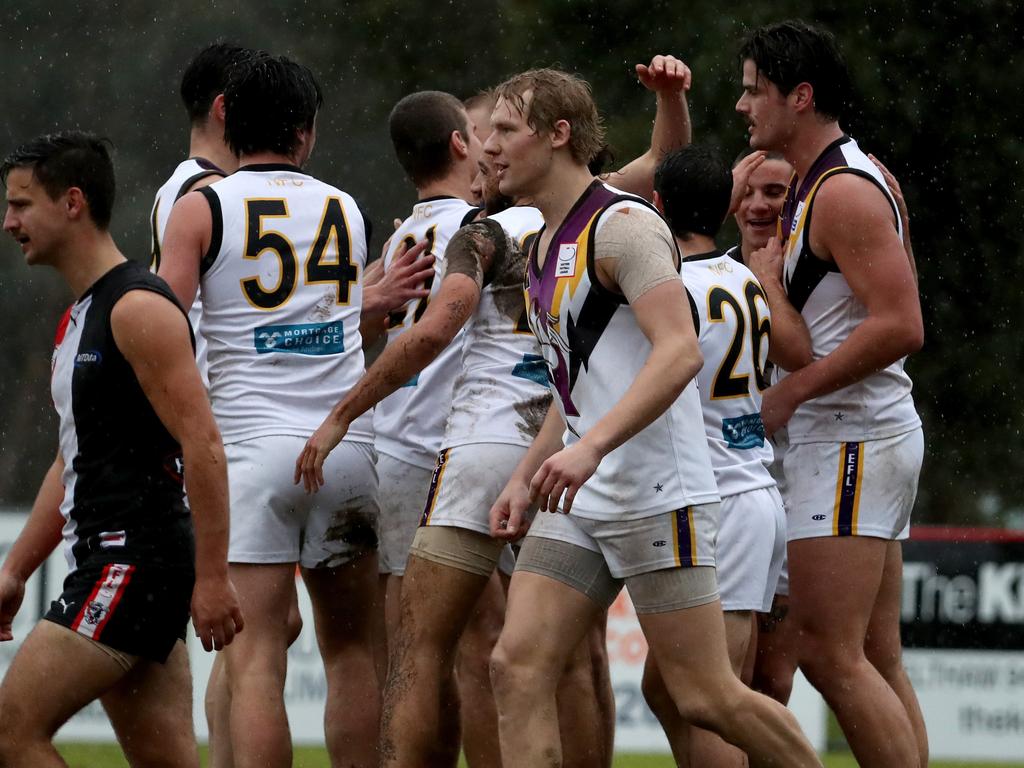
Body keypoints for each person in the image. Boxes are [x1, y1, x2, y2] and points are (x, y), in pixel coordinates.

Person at [483, 67, 821, 768]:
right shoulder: (543, 244)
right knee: (514, 666)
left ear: (558, 135)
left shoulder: (624, 225)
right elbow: (573, 387)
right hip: (581, 497)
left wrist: (591, 448)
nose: (490, 145)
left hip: (657, 496)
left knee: (706, 698)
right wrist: (524, 476)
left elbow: (679, 356)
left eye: (507, 130)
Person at [158, 52, 379, 768]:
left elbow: (163, 327)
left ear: (227, 120)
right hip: (345, 449)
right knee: (354, 656)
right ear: (306, 133)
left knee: (256, 664)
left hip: (252, 455)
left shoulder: (203, 205)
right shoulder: (345, 207)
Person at [0, 131, 242, 768]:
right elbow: (69, 458)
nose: (9, 222)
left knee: (10, 732)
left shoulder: (137, 306)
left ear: (72, 202)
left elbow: (205, 445)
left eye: (22, 205)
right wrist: (16, 570)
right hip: (126, 560)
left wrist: (214, 577)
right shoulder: (81, 315)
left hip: (131, 560)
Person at [737, 20, 927, 767]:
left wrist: (790, 396)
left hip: (850, 438)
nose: (744, 107)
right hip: (864, 436)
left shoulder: (843, 191)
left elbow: (902, 324)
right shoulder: (835, 178)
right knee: (876, 656)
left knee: (827, 653)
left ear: (801, 96)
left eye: (756, 91)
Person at [639, 144, 791, 766]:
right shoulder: (742, 279)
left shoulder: (673, 293)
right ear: (726, 209)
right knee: (669, 689)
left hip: (726, 501)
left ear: (656, 209)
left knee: (713, 701)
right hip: (748, 490)